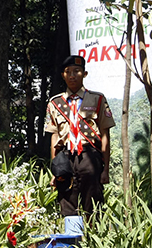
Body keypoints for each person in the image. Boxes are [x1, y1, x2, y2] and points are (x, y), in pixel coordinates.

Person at [43, 55, 115, 220]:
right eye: (68, 72)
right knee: (66, 200)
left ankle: (94, 241)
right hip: (65, 156)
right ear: (63, 75)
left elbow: (105, 134)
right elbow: (54, 136)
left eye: (77, 71)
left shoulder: (97, 99)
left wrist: (105, 169)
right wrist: (54, 169)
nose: (72, 75)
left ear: (85, 73)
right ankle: (73, 243)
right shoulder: (55, 103)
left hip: (89, 155)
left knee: (93, 201)